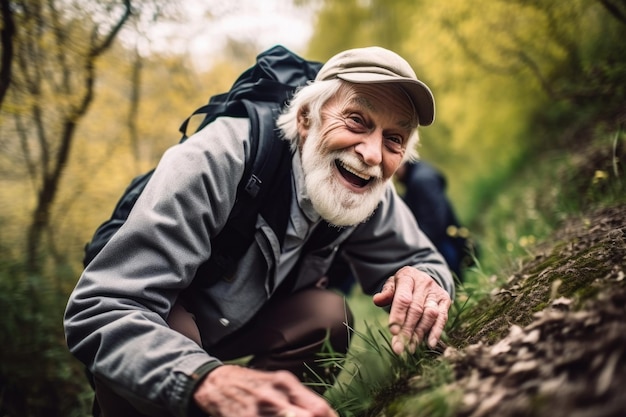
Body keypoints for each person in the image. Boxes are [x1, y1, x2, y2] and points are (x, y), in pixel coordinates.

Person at [64, 46, 454, 417]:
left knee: (328, 315)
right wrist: (204, 379)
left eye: (394, 140)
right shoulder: (215, 157)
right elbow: (102, 309)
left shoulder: (365, 182)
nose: (372, 154)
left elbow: (421, 259)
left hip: (246, 318)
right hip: (167, 320)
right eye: (356, 120)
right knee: (168, 357)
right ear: (306, 119)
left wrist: (424, 279)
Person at [395, 160, 471, 282]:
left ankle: (460, 290)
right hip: (444, 235)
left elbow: (435, 219)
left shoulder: (421, 180)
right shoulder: (418, 176)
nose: (394, 174)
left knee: (454, 278)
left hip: (441, 241)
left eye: (395, 169)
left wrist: (420, 242)